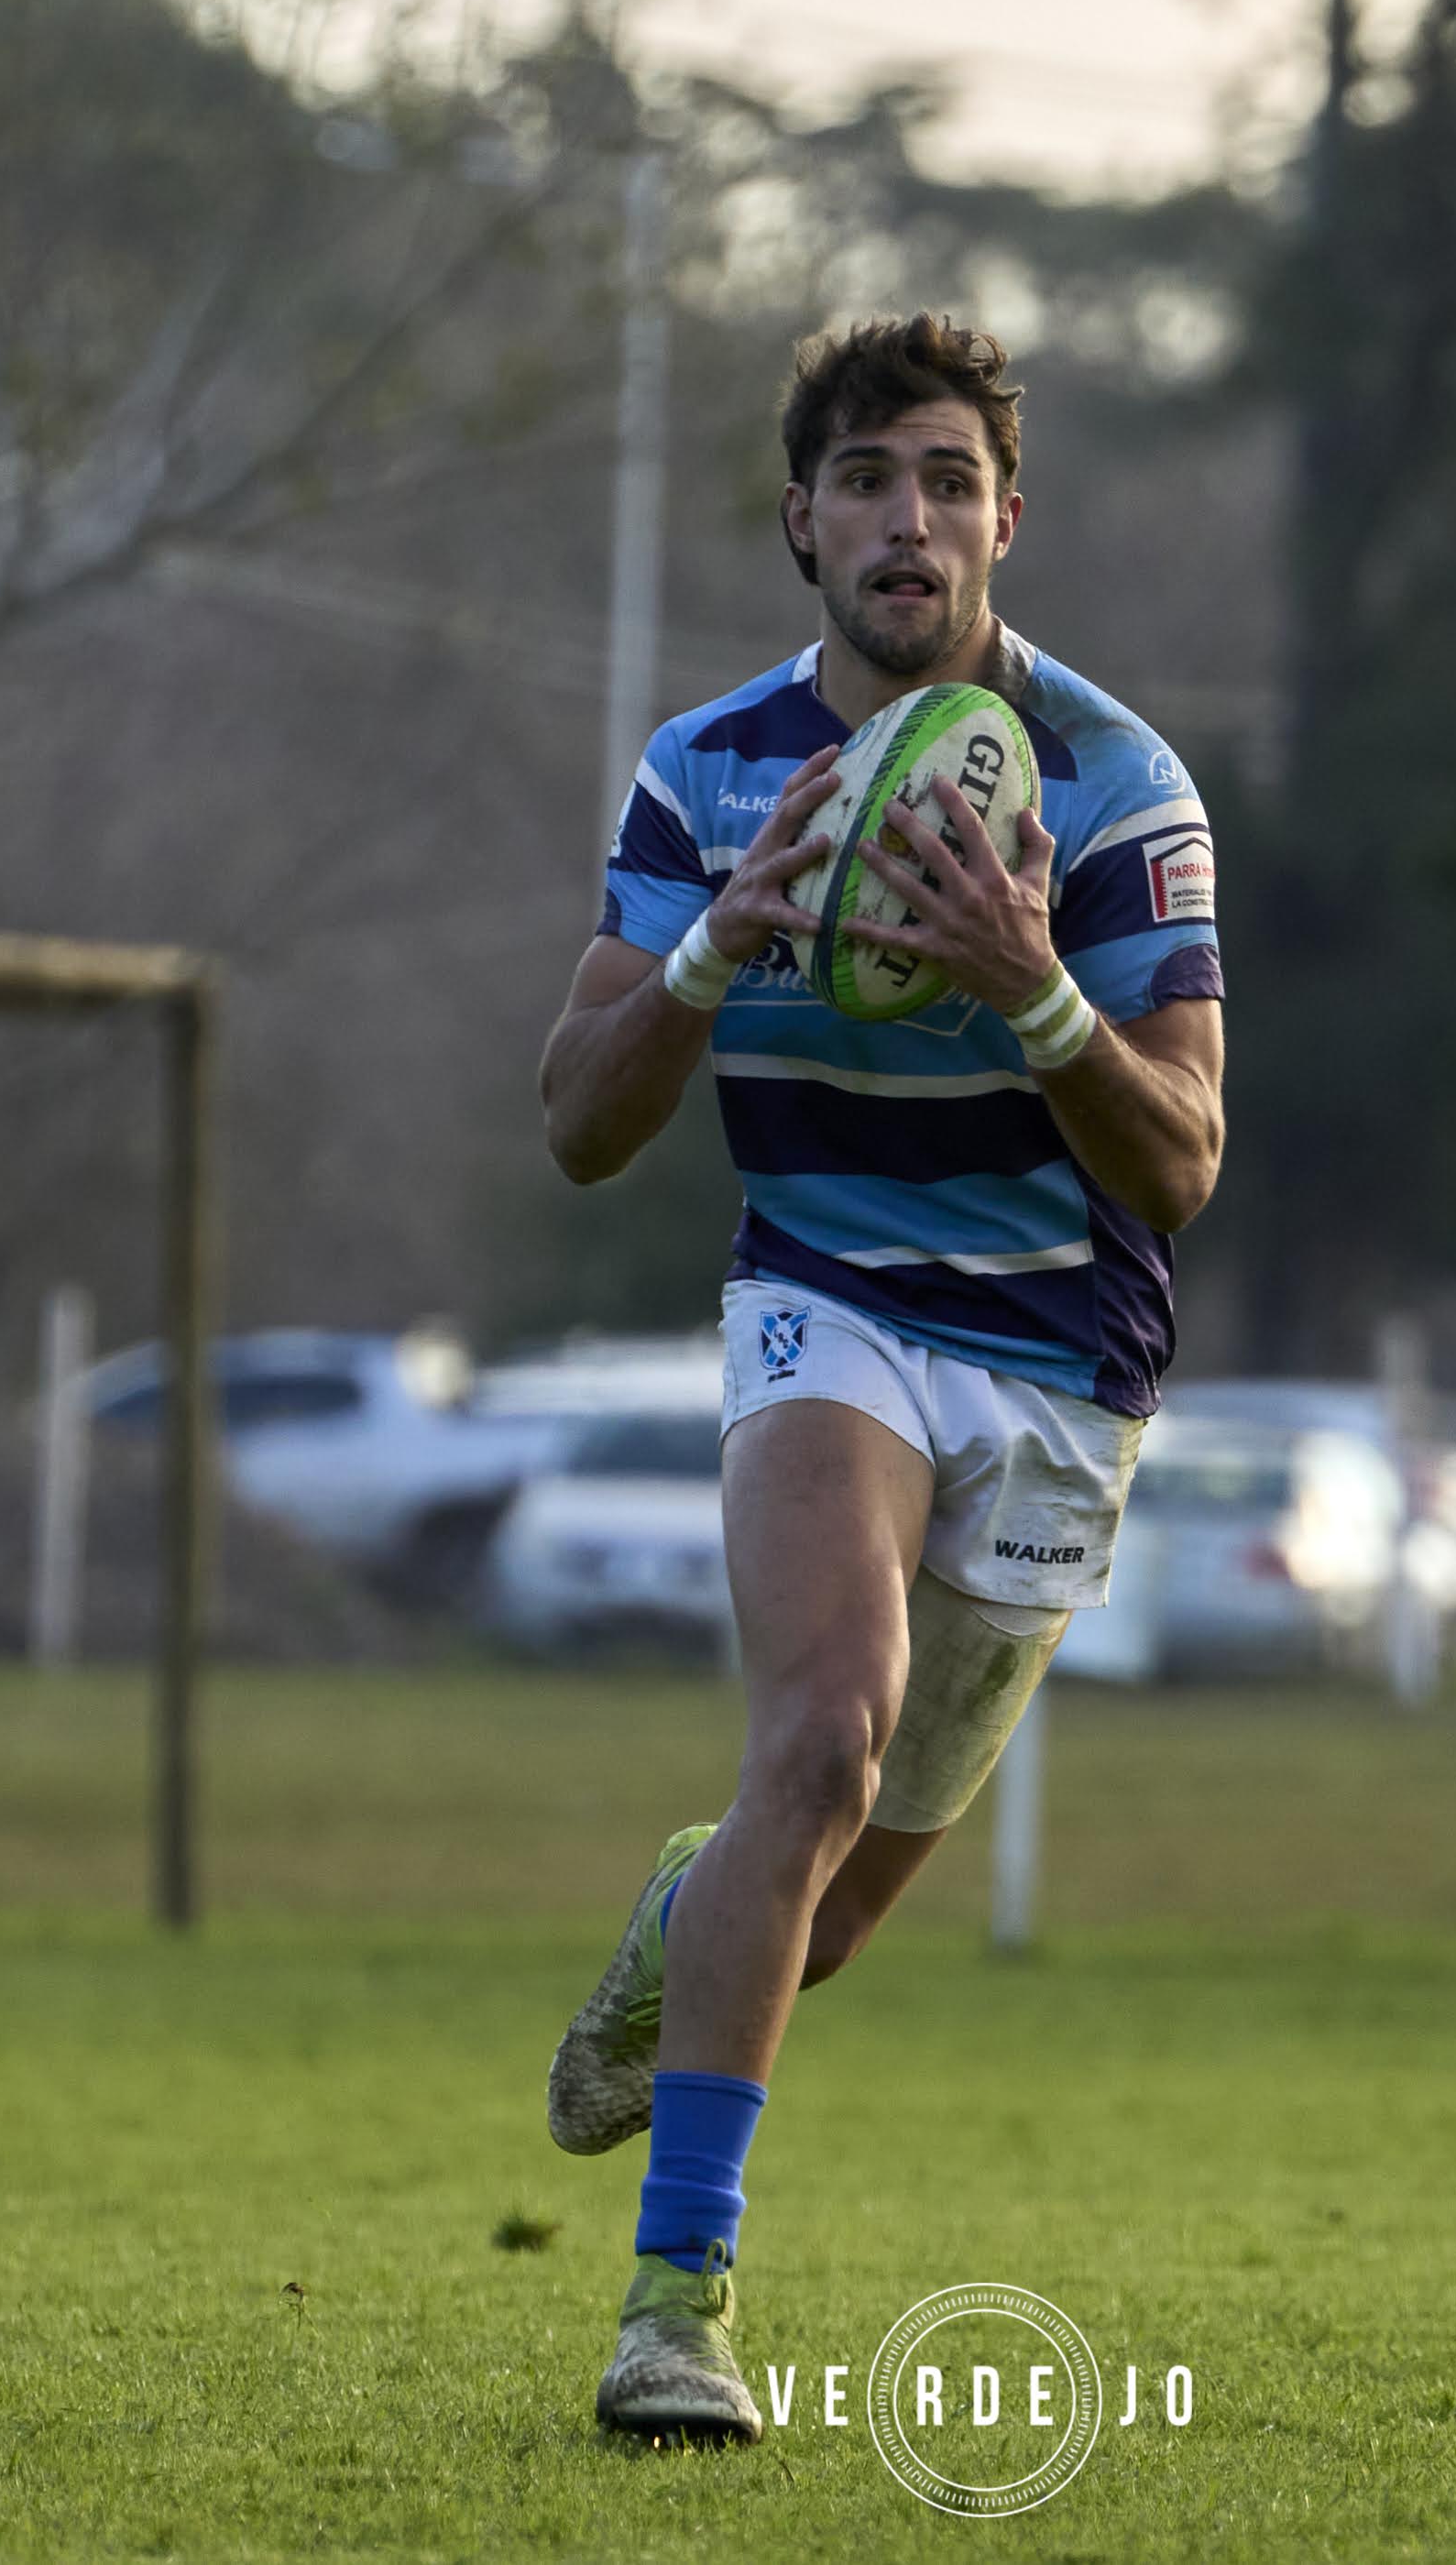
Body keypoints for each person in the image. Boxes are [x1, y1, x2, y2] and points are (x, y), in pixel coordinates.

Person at [533, 311, 1228, 2441]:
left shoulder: (1116, 787)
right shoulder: (707, 770)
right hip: (824, 1300)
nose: (906, 518)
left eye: (945, 478)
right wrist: (711, 943)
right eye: (864, 481)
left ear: (1007, 518)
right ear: (802, 527)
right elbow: (576, 1119)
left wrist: (1034, 996)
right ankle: (675, 2313)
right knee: (818, 1736)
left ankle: (693, 1907)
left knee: (812, 1908)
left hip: (1054, 1357)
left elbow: (1182, 1160)